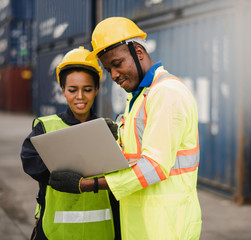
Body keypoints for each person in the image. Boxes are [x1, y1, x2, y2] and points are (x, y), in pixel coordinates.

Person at [49, 17, 202, 240]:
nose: (114, 75)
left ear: (138, 51)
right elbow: (133, 158)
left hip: (166, 227)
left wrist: (87, 185)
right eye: (108, 69)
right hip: (142, 224)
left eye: (117, 63)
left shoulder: (166, 93)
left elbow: (154, 167)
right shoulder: (139, 97)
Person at [20, 46, 120, 240]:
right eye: (73, 90)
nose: (80, 96)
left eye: (88, 89)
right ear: (63, 90)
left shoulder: (110, 130)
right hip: (55, 232)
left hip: (104, 231)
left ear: (97, 89)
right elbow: (30, 162)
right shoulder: (45, 127)